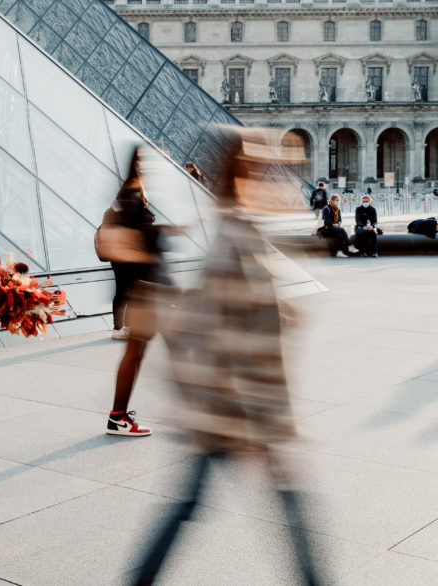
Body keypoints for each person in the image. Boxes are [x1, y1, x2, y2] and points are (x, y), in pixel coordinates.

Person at [132, 129, 323, 586]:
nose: (276, 173)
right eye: (264, 164)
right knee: (285, 508)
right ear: (244, 172)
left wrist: (277, 308)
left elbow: (229, 311)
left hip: (227, 406)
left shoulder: (236, 228)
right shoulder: (235, 234)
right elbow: (224, 328)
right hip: (237, 408)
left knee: (188, 506)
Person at [104, 148, 171, 437]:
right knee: (147, 351)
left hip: (145, 286)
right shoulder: (132, 194)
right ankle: (118, 417)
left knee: (135, 352)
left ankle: (118, 416)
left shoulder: (131, 192)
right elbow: (132, 240)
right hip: (148, 287)